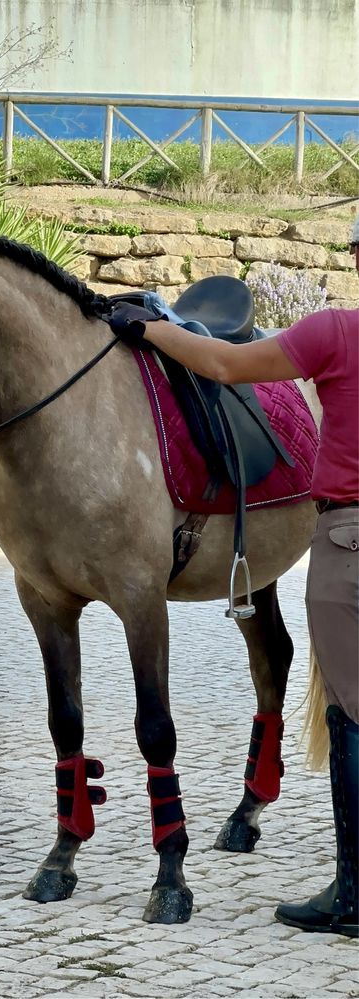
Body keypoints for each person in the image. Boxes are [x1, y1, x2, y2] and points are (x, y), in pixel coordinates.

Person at [108, 216, 359, 938]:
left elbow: (221, 364)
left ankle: (352, 894)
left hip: (347, 540)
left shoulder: (335, 332)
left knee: (349, 710)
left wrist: (146, 326)